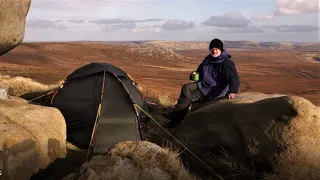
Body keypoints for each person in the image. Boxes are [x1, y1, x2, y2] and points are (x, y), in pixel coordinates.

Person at [162, 38, 240, 128]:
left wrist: (233, 91)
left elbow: (233, 77)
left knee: (189, 96)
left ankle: (177, 118)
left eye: (217, 49)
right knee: (186, 87)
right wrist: (194, 75)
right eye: (212, 48)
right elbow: (200, 70)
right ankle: (178, 114)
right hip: (203, 85)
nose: (214, 51)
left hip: (213, 91)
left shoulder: (226, 62)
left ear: (221, 50)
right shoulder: (208, 58)